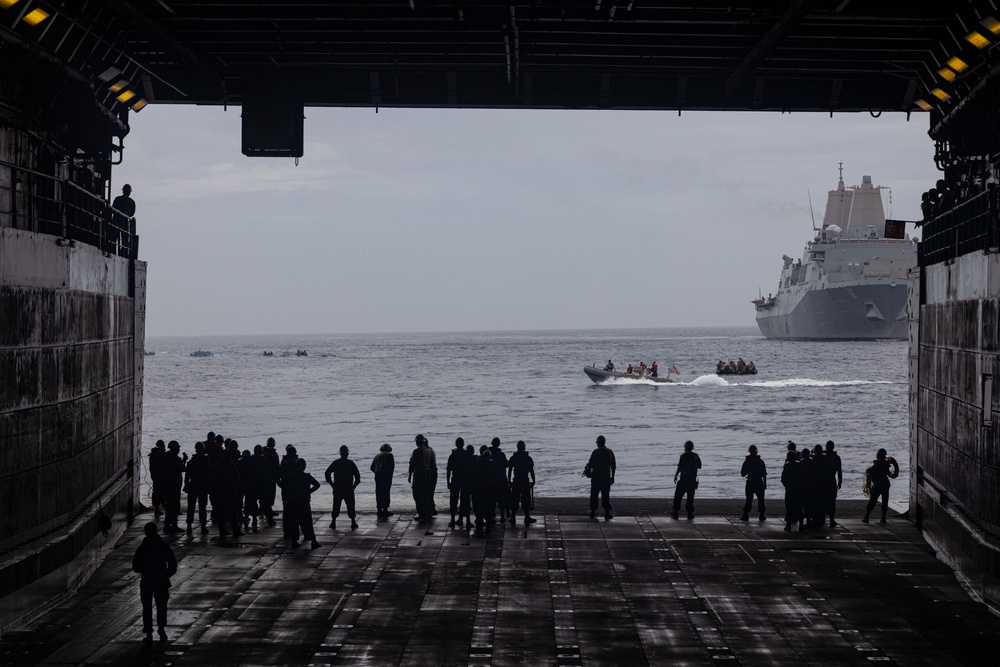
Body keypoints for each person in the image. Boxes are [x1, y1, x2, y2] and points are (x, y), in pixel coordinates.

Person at [132, 522, 177, 644]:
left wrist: (145, 568)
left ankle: (148, 632)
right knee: (161, 606)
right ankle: (161, 629)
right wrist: (166, 575)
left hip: (147, 580)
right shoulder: (162, 546)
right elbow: (173, 564)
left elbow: (136, 567)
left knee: (147, 607)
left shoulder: (143, 548)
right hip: (161, 580)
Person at [277, 458, 321, 548]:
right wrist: (308, 491)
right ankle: (313, 540)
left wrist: (288, 490)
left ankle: (294, 541)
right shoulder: (306, 476)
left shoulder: (290, 476)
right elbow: (317, 485)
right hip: (304, 501)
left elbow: (280, 483)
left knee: (294, 522)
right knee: (308, 522)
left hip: (293, 501)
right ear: (304, 467)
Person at [325, 445, 361, 530]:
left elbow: (327, 473)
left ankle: (333, 522)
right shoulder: (351, 463)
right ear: (347, 453)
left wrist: (332, 484)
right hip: (348, 488)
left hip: (337, 487)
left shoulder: (335, 463)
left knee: (336, 505)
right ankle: (353, 522)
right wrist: (354, 486)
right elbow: (358, 477)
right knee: (351, 505)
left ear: (340, 453)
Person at [863, 448, 899, 524]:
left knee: (873, 500)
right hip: (885, 483)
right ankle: (883, 517)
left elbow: (871, 470)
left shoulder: (876, 465)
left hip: (878, 484)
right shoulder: (885, 464)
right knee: (885, 500)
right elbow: (890, 474)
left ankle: (866, 516)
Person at [584, 435, 616, 520]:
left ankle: (593, 512)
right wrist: (613, 477)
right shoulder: (610, 452)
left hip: (596, 477)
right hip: (606, 477)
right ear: (604, 442)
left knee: (594, 495)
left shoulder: (595, 452)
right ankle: (607, 513)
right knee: (605, 495)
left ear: (598, 443)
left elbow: (590, 464)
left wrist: (587, 471)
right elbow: (613, 466)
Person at [507, 440, 536, 526]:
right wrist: (533, 480)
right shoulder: (528, 458)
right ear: (524, 447)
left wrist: (509, 480)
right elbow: (531, 471)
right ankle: (526, 517)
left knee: (515, 499)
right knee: (526, 499)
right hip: (524, 480)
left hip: (516, 480)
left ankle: (513, 517)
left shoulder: (514, 457)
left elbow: (509, 470)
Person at [184, 441, 211, 535]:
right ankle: (203, 527)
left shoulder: (191, 462)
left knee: (190, 507)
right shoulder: (206, 462)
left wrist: (186, 486)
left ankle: (189, 527)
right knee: (202, 507)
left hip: (193, 485)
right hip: (202, 486)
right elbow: (209, 475)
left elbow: (187, 476)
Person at [470, 448, 498, 536]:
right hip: (489, 492)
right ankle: (487, 527)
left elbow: (473, 479)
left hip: (479, 491)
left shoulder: (477, 467)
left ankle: (479, 526)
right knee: (488, 510)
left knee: (479, 510)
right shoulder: (492, 467)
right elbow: (496, 480)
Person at [161, 441, 186, 533]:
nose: (179, 450)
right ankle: (174, 525)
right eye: (178, 448)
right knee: (175, 506)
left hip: (168, 485)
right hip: (174, 486)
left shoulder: (166, 458)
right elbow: (182, 469)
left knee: (169, 507)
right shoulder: (175, 459)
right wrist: (184, 461)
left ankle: (167, 525)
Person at [447, 438, 472, 529]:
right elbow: (471, 469)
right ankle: (467, 520)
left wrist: (448, 481)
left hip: (455, 479)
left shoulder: (453, 455)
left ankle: (453, 520)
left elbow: (448, 470)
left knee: (453, 500)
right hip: (465, 480)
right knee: (465, 500)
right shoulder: (467, 455)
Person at [672, 440, 701, 520]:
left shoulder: (683, 456)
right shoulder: (696, 456)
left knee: (678, 496)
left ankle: (675, 511)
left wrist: (675, 476)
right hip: (692, 479)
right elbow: (699, 466)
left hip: (684, 479)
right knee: (690, 497)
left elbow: (680, 467)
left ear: (685, 448)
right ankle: (690, 513)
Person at [409, 435, 434, 522]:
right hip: (427, 473)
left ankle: (422, 513)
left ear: (417, 442)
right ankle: (427, 512)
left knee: (417, 494)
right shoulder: (428, 451)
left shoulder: (416, 451)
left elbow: (412, 464)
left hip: (419, 473)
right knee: (425, 494)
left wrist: (409, 475)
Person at [740, 444, 767, 521]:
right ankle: (762, 515)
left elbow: (742, 474)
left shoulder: (747, 462)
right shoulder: (760, 461)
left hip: (750, 482)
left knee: (749, 499)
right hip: (759, 482)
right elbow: (764, 474)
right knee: (761, 500)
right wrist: (765, 483)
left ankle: (746, 515)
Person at [370, 443, 395, 519]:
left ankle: (379, 509)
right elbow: (392, 466)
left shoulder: (377, 456)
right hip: (386, 475)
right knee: (386, 492)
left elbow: (372, 467)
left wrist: (377, 472)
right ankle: (385, 509)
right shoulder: (389, 455)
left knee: (379, 491)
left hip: (378, 475)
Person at [488, 438, 510, 522]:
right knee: (502, 498)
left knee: (491, 498)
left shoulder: (489, 453)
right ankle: (502, 515)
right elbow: (507, 464)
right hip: (500, 479)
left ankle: (492, 513)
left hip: (490, 479)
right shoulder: (501, 454)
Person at [260, 437, 280, 526]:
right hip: (271, 478)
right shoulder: (274, 454)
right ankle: (268, 513)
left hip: (263, 478)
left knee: (264, 496)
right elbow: (277, 467)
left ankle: (263, 510)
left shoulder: (262, 453)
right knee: (270, 495)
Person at [780, 451, 802, 532]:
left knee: (789, 508)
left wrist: (787, 486)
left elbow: (783, 479)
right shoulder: (799, 465)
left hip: (790, 489)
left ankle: (788, 525)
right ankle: (801, 525)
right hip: (798, 489)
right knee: (799, 507)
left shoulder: (787, 466)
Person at [823, 440, 843, 527]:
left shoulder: (823, 457)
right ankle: (831, 519)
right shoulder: (836, 457)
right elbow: (839, 471)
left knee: (823, 499)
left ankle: (824, 518)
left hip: (823, 481)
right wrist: (840, 481)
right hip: (831, 481)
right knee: (832, 501)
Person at [148, 440, 166, 518]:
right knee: (160, 491)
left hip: (155, 476)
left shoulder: (153, 455)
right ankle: (161, 505)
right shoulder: (160, 455)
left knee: (156, 491)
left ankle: (157, 507)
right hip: (160, 476)